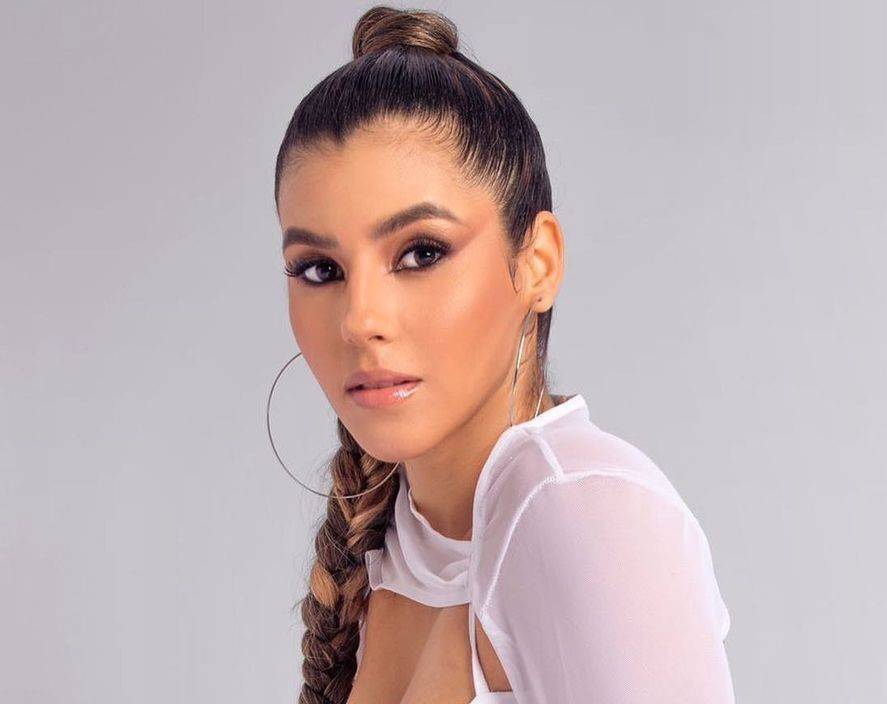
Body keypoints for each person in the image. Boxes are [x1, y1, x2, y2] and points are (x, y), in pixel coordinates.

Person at [273, 6, 736, 703]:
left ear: (537, 262)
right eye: (320, 269)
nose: (359, 321)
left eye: (420, 253)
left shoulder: (578, 509)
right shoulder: (398, 545)